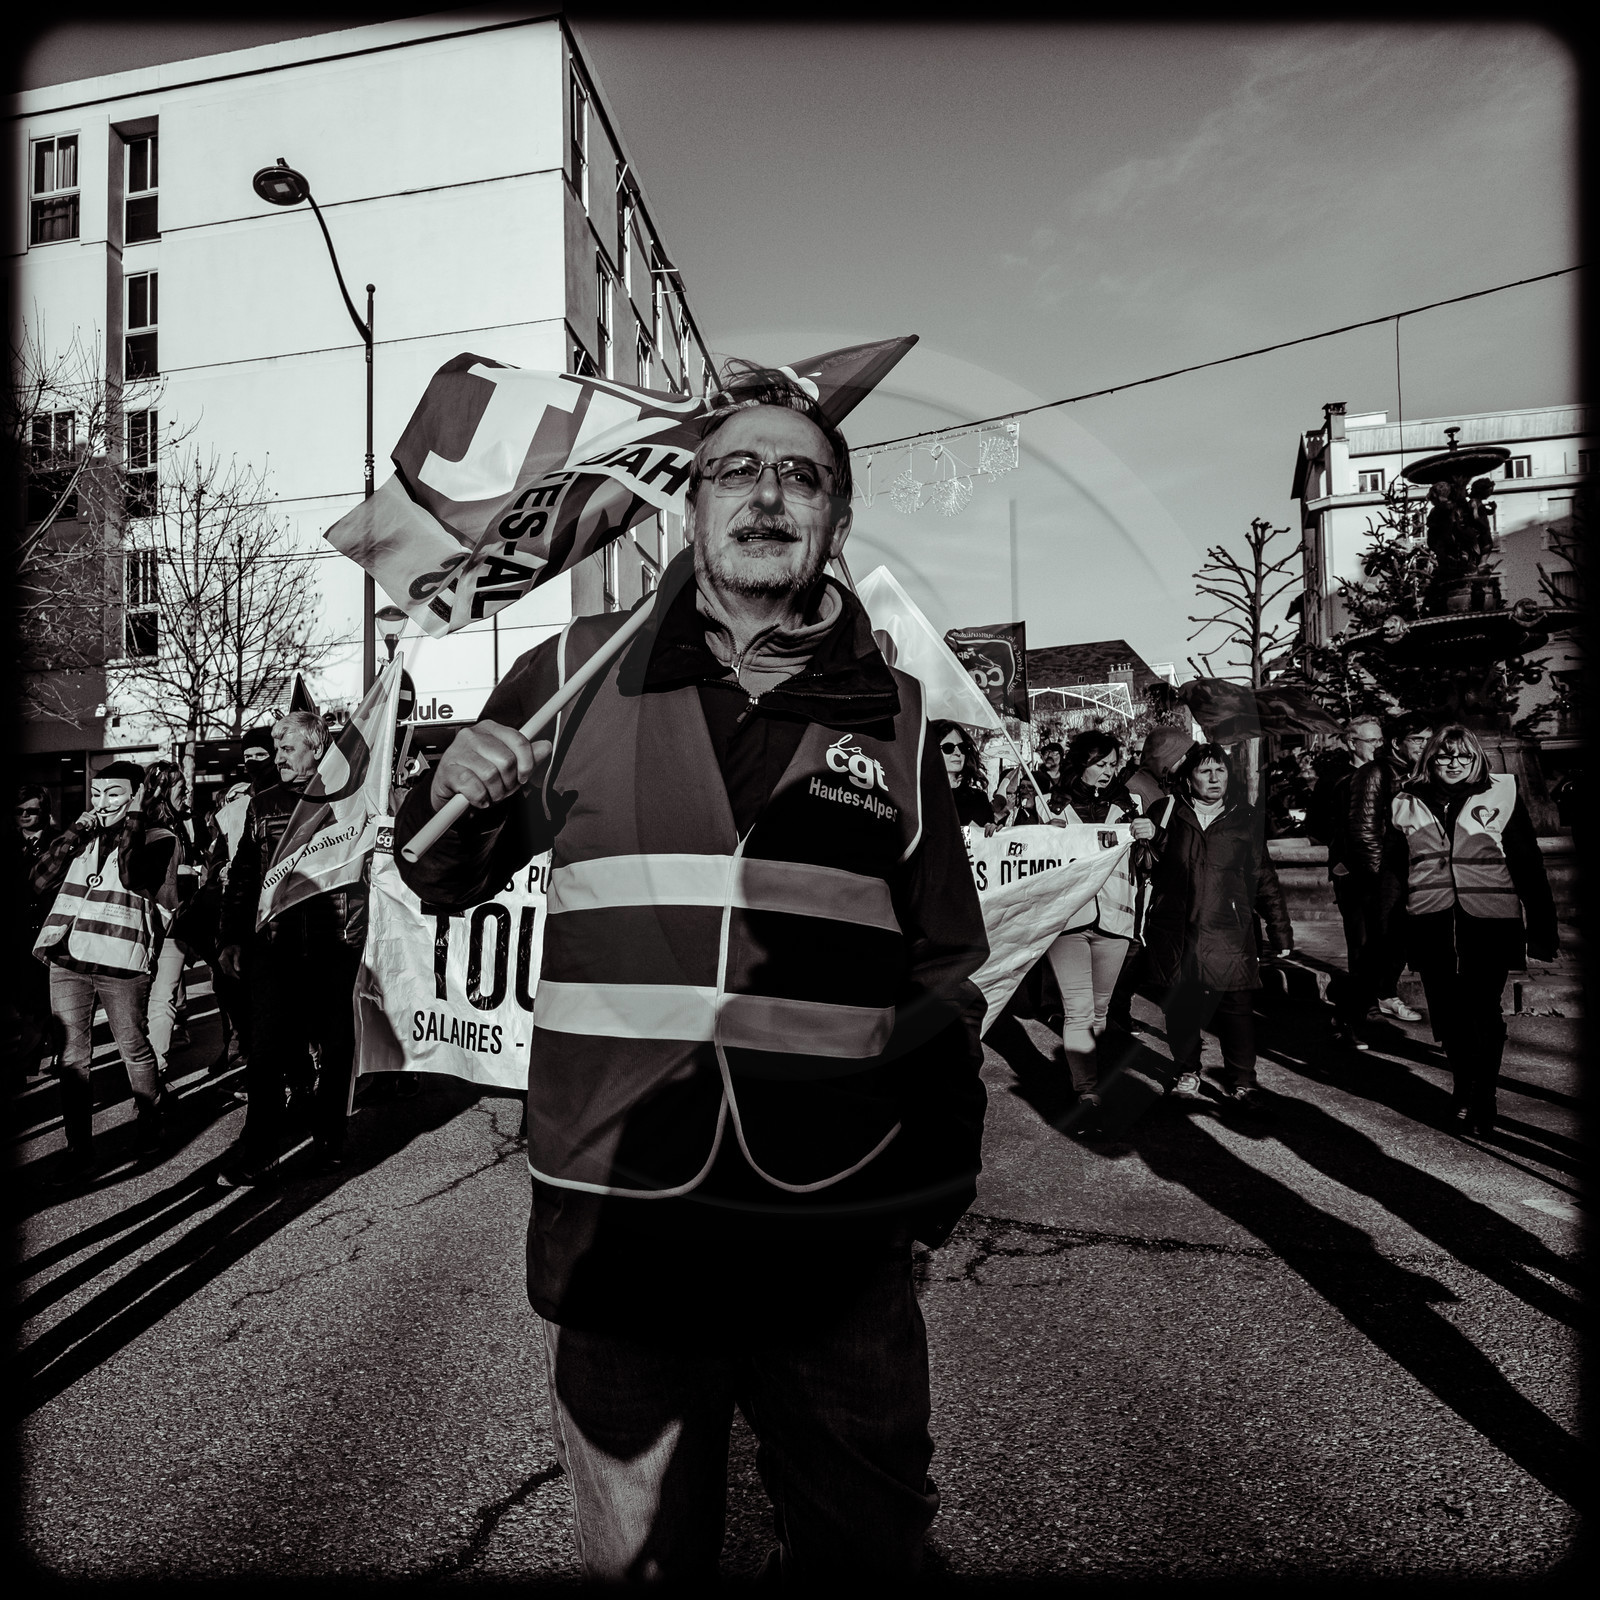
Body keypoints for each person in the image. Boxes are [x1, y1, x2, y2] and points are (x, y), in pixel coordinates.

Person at [395, 362, 989, 1583]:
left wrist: (930, 1178)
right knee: (643, 1560)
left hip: (835, 1232)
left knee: (865, 1546)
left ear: (837, 516)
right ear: (688, 501)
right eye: (738, 470)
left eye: (800, 475)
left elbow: (940, 968)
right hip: (622, 1221)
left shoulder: (907, 717)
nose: (767, 496)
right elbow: (436, 871)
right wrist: (444, 787)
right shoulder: (573, 670)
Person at [216, 712, 367, 1183]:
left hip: (336, 945)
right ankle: (259, 1148)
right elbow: (244, 876)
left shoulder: (352, 803)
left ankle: (329, 1142)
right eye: (277, 750)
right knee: (264, 1055)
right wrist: (232, 938)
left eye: (288, 749)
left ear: (317, 749)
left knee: (336, 1049)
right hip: (274, 949)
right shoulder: (263, 804)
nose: (278, 758)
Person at [1386, 724, 1556, 1135]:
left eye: (1463, 756)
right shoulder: (1405, 801)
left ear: (1476, 757)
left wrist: (1543, 928)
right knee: (1447, 1016)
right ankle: (1463, 1084)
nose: (1455, 764)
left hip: (1489, 922)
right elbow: (1393, 874)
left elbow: (1527, 863)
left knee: (1483, 1011)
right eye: (1445, 756)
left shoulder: (1502, 792)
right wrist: (1390, 933)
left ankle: (1484, 1096)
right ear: (1431, 758)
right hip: (1431, 922)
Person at [29, 761, 174, 1184]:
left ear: (136, 795)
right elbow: (38, 882)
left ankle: (150, 1123)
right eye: (97, 793)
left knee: (133, 1046)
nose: (101, 802)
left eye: (114, 793)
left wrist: (134, 817)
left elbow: (131, 875)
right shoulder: (79, 836)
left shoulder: (158, 837)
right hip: (68, 960)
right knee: (72, 1059)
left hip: (122, 963)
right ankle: (80, 1151)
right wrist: (76, 832)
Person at [1143, 743, 1294, 1115]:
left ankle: (1243, 1080)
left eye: (1221, 771)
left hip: (1229, 927)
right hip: (1177, 926)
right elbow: (1147, 865)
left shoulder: (1245, 817)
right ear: (1188, 777)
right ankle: (1187, 1071)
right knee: (1181, 1006)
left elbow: (1263, 878)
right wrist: (1148, 836)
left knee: (1236, 1007)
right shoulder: (1165, 812)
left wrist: (1280, 930)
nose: (1214, 778)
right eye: (1205, 772)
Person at [1040, 731, 1156, 1126]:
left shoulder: (1132, 805)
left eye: (1112, 764)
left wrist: (1150, 836)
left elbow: (1151, 862)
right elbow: (1021, 851)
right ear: (1082, 763)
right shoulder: (1049, 804)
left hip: (1115, 919)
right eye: (1100, 764)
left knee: (1101, 1010)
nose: (1109, 771)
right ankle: (1085, 1087)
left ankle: (1091, 1073)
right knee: (1079, 1009)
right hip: (1067, 921)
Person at [1341, 711, 1435, 1044]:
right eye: (1417, 739)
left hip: (1415, 876)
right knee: (1373, 950)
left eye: (1428, 738)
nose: (1425, 745)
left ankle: (1373, 1003)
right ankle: (1351, 1017)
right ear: (1398, 743)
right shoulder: (1376, 773)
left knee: (1396, 948)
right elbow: (1364, 831)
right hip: (1384, 880)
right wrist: (1379, 881)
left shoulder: (1419, 773)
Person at [1105, 724, 1192, 1031]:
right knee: (1135, 947)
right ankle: (1114, 1009)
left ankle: (1116, 1008)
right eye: (1183, 755)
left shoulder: (1154, 785)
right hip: (1140, 882)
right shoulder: (1137, 789)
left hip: (1152, 881)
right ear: (1167, 758)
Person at [1308, 717, 1380, 1050]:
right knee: (1362, 943)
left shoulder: (1389, 775)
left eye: (1380, 740)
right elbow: (1316, 826)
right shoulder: (1333, 781)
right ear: (1352, 743)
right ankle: (1357, 1015)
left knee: (1387, 942)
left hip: (1387, 872)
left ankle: (1370, 1002)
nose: (1378, 747)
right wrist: (1342, 854)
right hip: (1351, 872)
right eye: (1371, 741)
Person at [139, 760, 202, 1080]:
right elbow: (168, 889)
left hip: (139, 925)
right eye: (181, 787)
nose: (187, 791)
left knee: (151, 998)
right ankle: (155, 1071)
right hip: (166, 924)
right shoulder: (168, 835)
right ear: (164, 793)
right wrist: (191, 875)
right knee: (161, 998)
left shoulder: (140, 827)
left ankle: (147, 1070)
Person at [12, 786, 62, 1077]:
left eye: (31, 811)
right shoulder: (6, 844)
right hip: (16, 935)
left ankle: (23, 1069)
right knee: (27, 1001)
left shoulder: (59, 842)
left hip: (49, 931)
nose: (24, 817)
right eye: (19, 811)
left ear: (44, 811)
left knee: (40, 1003)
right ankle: (55, 1048)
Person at [932, 720, 993, 827]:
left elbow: (987, 841)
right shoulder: (919, 798)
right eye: (948, 748)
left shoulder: (979, 798)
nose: (958, 752)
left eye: (962, 747)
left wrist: (994, 830)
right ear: (931, 751)